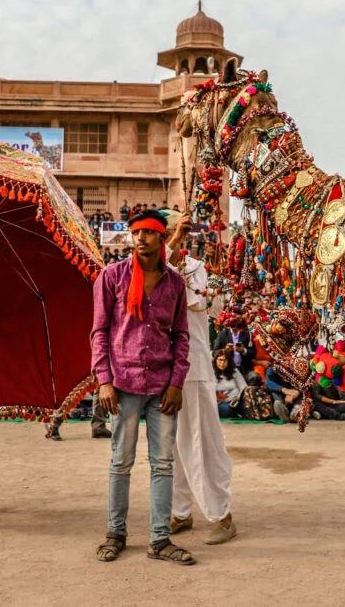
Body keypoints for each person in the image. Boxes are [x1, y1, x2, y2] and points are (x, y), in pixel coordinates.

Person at [91, 209, 193, 565]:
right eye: (137, 232)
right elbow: (99, 332)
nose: (141, 238)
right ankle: (115, 534)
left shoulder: (175, 284)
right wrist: (104, 380)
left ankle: (160, 540)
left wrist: (177, 382)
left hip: (163, 385)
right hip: (124, 383)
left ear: (162, 238)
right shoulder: (111, 277)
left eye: (149, 233)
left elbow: (181, 336)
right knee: (121, 462)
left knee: (162, 464)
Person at [165, 211, 237, 545]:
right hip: (161, 370)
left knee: (200, 442)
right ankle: (180, 511)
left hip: (192, 367)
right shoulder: (148, 268)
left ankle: (221, 515)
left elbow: (200, 303)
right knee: (170, 448)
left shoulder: (194, 268)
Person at [212, 350, 246, 418]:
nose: (222, 363)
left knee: (246, 406)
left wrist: (238, 397)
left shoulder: (234, 371)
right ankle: (236, 413)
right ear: (216, 361)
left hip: (237, 400)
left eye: (225, 360)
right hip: (222, 402)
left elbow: (243, 386)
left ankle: (238, 412)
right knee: (226, 410)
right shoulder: (211, 373)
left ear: (228, 362)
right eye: (220, 360)